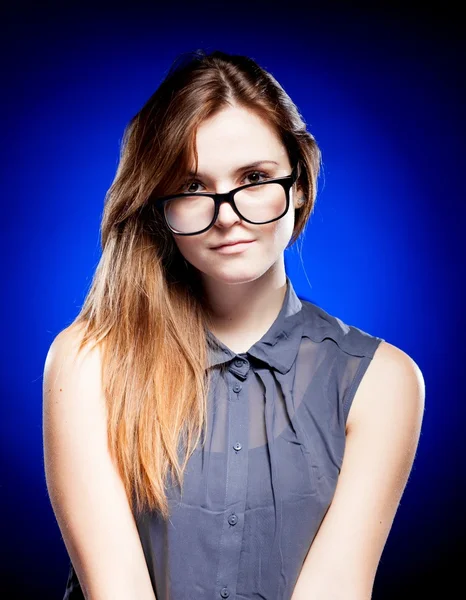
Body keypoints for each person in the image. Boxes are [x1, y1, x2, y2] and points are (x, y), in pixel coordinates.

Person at [42, 49, 425, 600]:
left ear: (297, 184)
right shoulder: (88, 362)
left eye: (254, 177)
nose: (227, 215)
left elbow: (338, 586)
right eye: (194, 186)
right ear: (158, 205)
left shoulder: (383, 382)